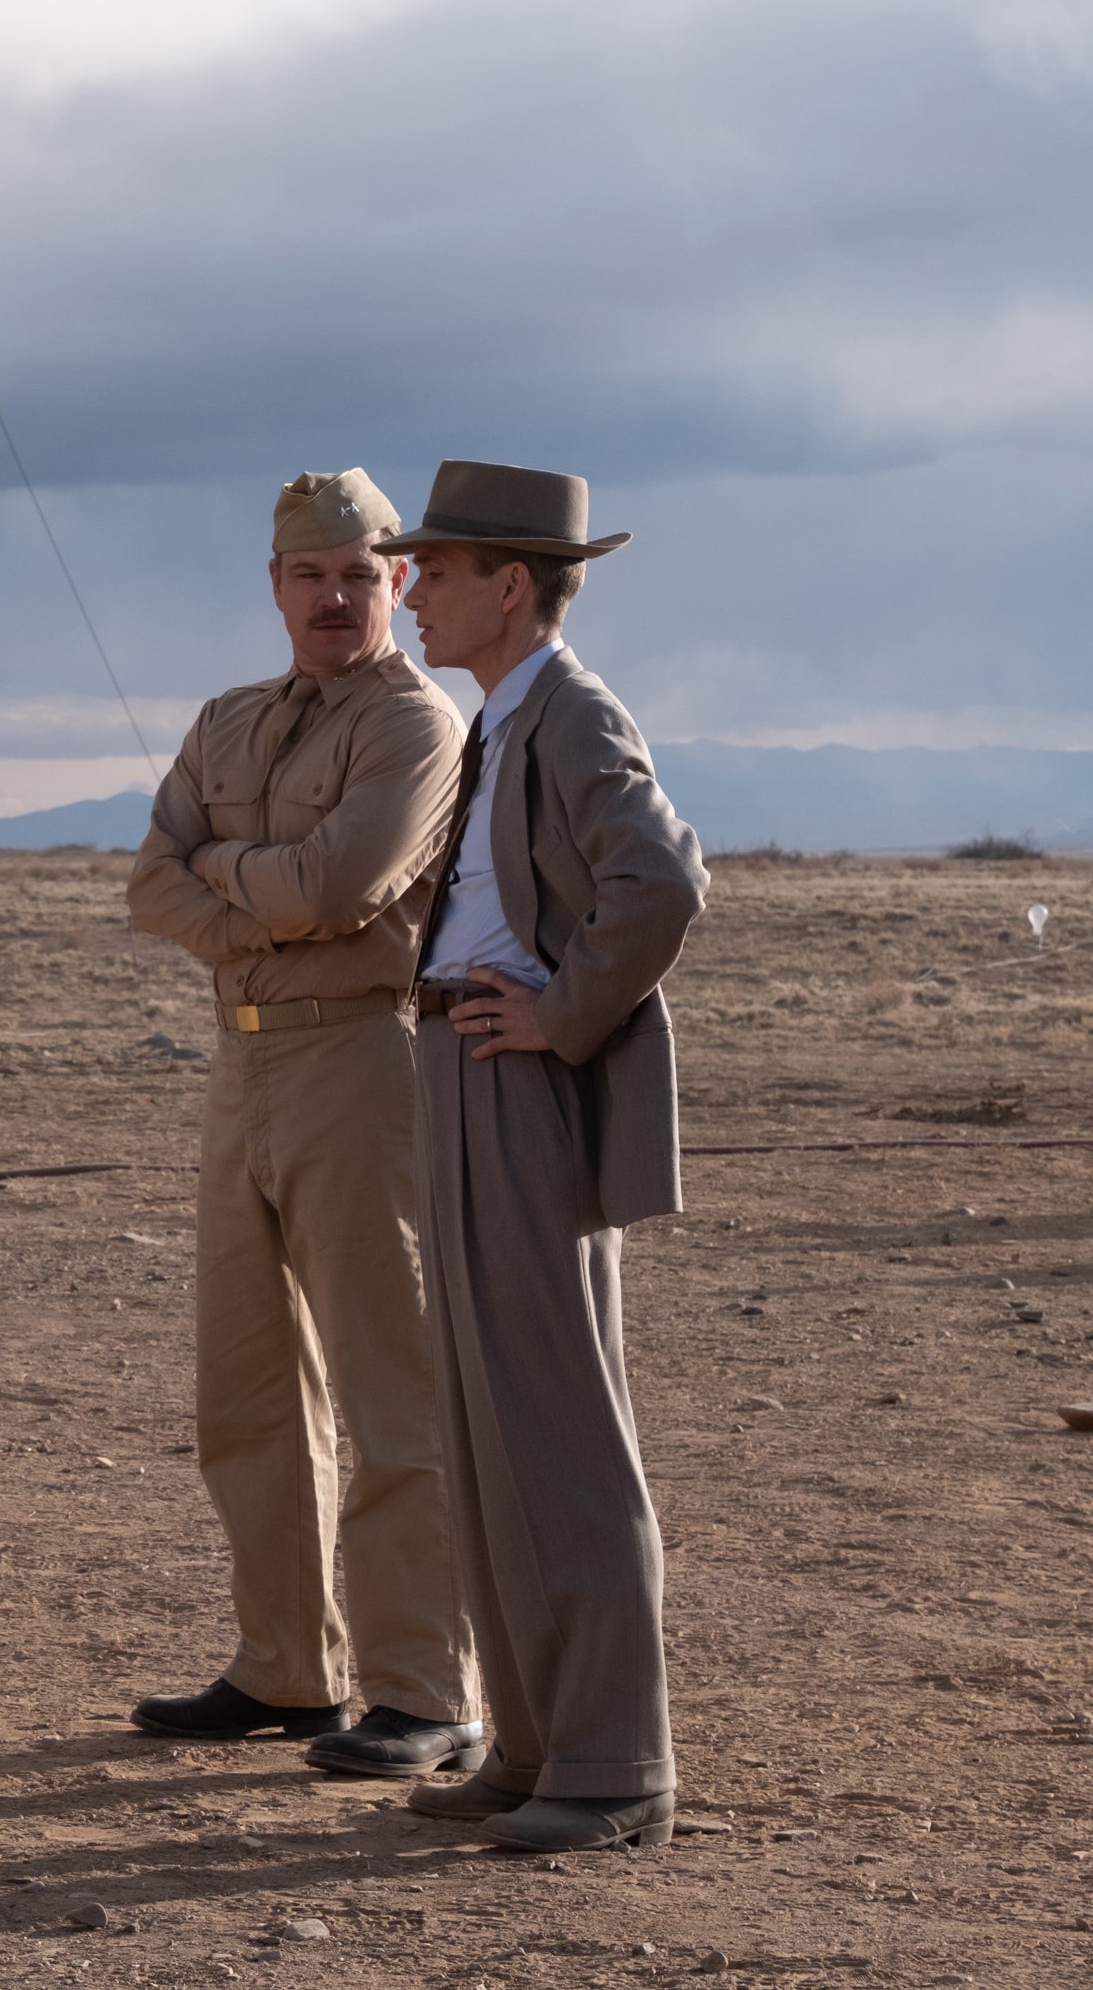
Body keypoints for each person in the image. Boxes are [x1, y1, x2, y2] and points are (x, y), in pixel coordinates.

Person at [124, 468, 486, 1779]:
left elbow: (346, 879)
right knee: (245, 1388)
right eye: (307, 574)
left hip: (362, 1064)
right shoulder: (228, 720)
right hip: (245, 1065)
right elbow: (145, 884)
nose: (333, 596)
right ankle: (284, 1667)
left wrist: (224, 876)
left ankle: (421, 1684)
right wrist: (254, 894)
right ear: (273, 585)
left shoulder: (417, 724)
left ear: (396, 580)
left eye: (357, 572)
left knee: (390, 1381)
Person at [376, 460, 708, 1852]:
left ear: (510, 586)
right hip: (461, 1068)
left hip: (522, 1084)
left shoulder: (569, 715)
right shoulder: (500, 720)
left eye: (433, 571)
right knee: (483, 1419)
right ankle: (530, 1745)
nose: (409, 594)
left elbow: (662, 882)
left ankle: (613, 1765)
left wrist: (562, 1013)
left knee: (557, 1427)